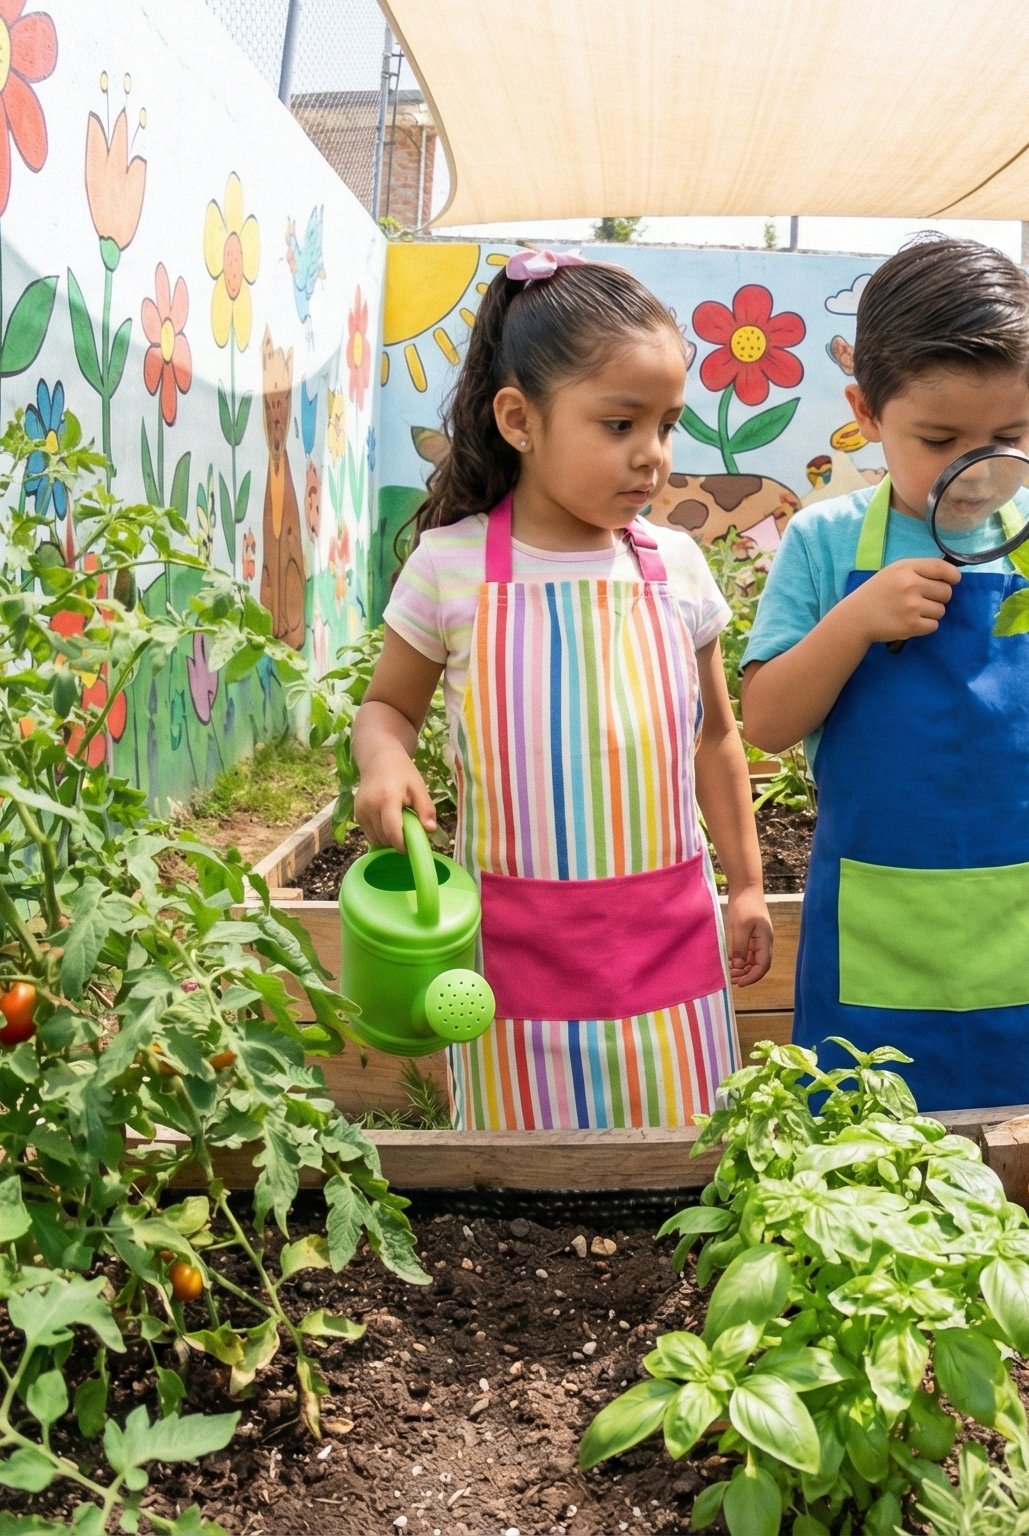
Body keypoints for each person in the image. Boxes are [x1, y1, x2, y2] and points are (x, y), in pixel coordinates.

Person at [353, 249, 773, 1130]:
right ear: (519, 419)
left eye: (666, 426)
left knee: (684, 1170)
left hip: (670, 941)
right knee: (521, 1196)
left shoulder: (678, 567)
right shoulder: (451, 567)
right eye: (620, 424)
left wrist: (743, 884)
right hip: (514, 953)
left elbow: (716, 739)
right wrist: (383, 763)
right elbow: (388, 707)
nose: (651, 456)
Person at [741, 237, 1029, 1112]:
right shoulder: (824, 543)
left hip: (1025, 927)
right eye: (939, 439)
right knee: (865, 1144)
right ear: (865, 411)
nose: (980, 467)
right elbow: (766, 722)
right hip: (876, 930)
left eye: (1010, 438)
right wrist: (853, 621)